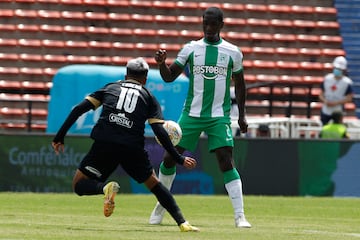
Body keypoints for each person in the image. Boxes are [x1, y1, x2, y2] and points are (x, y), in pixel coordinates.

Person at [51, 57, 199, 232]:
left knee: (79, 184)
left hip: (105, 142)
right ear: (145, 79)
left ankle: (104, 188)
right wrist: (179, 158)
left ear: (126, 74)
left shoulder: (110, 88)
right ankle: (182, 223)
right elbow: (160, 131)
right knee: (155, 185)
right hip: (131, 147)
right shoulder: (149, 97)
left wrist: (59, 137)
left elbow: (78, 109)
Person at [149, 7, 251, 228]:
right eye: (205, 23)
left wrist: (241, 116)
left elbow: (240, 84)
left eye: (213, 24)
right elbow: (168, 78)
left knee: (226, 161)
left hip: (219, 117)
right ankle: (161, 206)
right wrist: (161, 64)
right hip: (191, 115)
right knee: (169, 158)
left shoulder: (233, 52)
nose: (208, 28)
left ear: (221, 25)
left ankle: (240, 216)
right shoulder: (191, 49)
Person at [319, 56, 353, 125]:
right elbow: (321, 94)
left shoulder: (347, 82)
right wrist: (325, 101)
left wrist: (336, 103)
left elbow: (349, 98)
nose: (337, 70)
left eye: (340, 69)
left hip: (338, 111)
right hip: (326, 110)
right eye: (336, 68)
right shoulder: (327, 78)